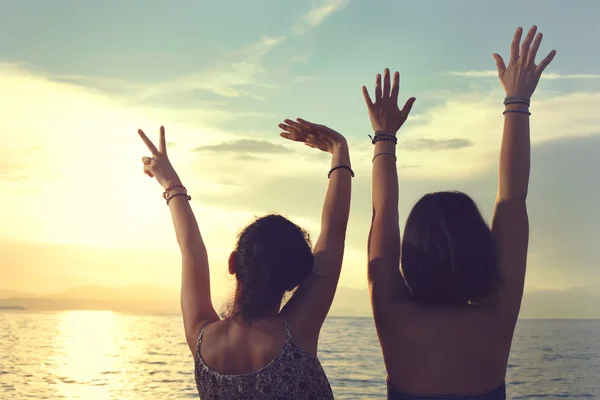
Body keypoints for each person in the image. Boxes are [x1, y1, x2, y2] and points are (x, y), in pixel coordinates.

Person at [363, 26, 556, 399]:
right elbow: (512, 200)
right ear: (482, 250)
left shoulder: (392, 314)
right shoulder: (495, 316)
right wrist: (516, 100)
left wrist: (383, 136)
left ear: (410, 255)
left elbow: (383, 213)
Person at [136, 118, 352, 399]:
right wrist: (339, 148)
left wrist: (170, 182)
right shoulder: (298, 331)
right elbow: (334, 232)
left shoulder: (202, 341)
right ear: (293, 280)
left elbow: (191, 250)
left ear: (233, 263)